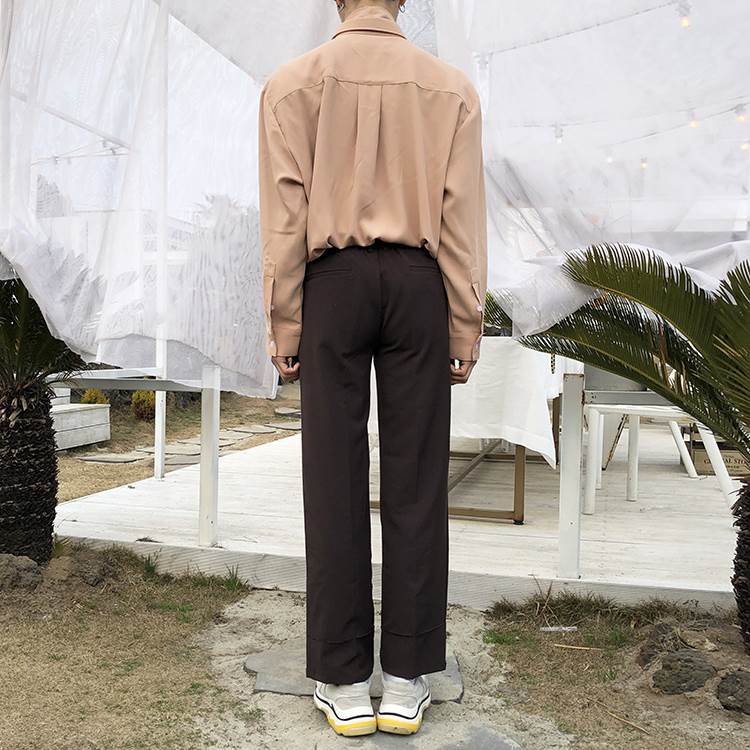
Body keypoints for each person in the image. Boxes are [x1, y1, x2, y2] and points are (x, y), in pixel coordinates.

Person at [258, 0, 487, 737]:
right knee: (417, 476)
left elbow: (286, 217)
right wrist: (465, 320)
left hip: (333, 285)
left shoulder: (291, 85)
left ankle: (343, 679)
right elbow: (459, 218)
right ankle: (409, 678)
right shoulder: (449, 88)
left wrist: (284, 316)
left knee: (333, 475)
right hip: (420, 284)